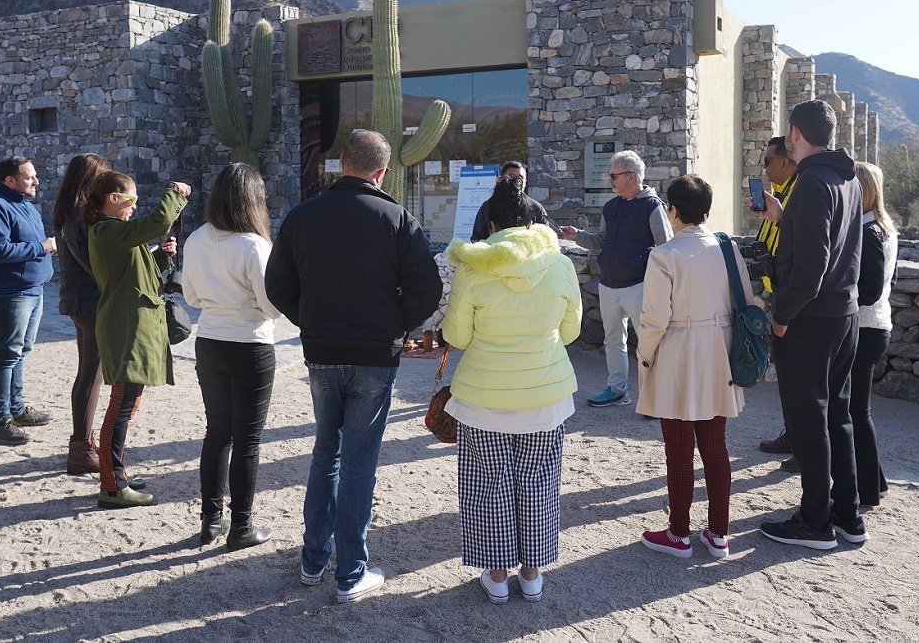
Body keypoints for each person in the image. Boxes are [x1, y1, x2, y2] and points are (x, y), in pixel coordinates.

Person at [265, 129, 442, 603]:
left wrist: (311, 320)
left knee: (327, 453)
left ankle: (312, 559)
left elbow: (277, 285)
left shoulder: (303, 217)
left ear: (341, 162)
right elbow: (427, 288)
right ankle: (350, 572)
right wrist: (395, 324)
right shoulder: (396, 218)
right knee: (359, 461)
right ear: (382, 172)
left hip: (322, 352)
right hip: (373, 355)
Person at [444, 176, 581, 603]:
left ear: (490, 227)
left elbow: (457, 336)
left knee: (489, 484)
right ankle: (533, 573)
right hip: (546, 395)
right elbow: (572, 331)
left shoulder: (473, 268)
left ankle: (498, 574)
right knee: (539, 482)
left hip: (484, 398)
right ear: (529, 222)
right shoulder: (560, 264)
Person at [753, 99, 864, 550]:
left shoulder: (814, 182)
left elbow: (813, 264)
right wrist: (783, 217)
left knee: (808, 420)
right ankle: (846, 515)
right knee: (837, 415)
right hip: (844, 315)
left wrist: (782, 315)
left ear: (795, 133)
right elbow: (833, 244)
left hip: (810, 319)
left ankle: (815, 522)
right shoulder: (845, 178)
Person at [636, 175, 756, 560]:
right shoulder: (727, 248)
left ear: (672, 211)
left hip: (678, 351)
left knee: (679, 448)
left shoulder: (665, 254)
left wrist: (645, 357)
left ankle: (678, 534)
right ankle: (719, 533)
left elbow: (654, 318)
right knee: (715, 446)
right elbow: (746, 299)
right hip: (719, 350)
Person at [182, 163, 281, 550]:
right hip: (251, 344)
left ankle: (210, 521)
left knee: (217, 434)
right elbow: (272, 307)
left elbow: (191, 298)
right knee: (248, 440)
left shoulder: (196, 239)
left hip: (208, 342)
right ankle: (241, 527)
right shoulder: (254, 245)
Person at [86, 171, 190, 509]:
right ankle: (112, 485)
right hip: (125, 327)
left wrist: (161, 255)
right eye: (131, 199)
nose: (136, 206)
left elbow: (134, 270)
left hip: (133, 325)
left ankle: (118, 476)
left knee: (128, 405)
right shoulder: (106, 230)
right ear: (114, 199)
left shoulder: (115, 233)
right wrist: (174, 192)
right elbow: (159, 219)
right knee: (120, 407)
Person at [559, 150, 672, 407]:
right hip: (609, 284)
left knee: (648, 343)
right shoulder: (611, 207)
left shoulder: (653, 207)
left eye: (613, 176)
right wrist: (577, 235)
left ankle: (655, 396)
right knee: (613, 340)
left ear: (630, 177)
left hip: (639, 285)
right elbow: (601, 242)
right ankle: (617, 389)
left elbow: (666, 248)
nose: (609, 180)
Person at [0, 156, 57, 446]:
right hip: (10, 294)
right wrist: (41, 247)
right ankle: (0, 422)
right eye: (29, 177)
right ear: (10, 180)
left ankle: (16, 409)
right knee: (7, 355)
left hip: (32, 290)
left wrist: (44, 250)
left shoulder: (23, 204)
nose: (36, 181)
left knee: (21, 352)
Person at [54, 153, 111, 474]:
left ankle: (84, 441)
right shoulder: (80, 216)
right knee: (92, 374)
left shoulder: (70, 212)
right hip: (90, 302)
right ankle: (80, 448)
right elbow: (96, 264)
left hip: (81, 301)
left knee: (89, 373)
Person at [849, 161, 896, 508]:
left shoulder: (868, 233)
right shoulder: (886, 229)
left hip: (864, 327)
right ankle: (874, 481)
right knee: (858, 410)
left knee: (854, 412)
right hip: (876, 326)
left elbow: (869, 291)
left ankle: (865, 490)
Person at [755, 137, 800, 460]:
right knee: (788, 374)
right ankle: (794, 434)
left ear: (785, 161)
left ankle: (801, 443)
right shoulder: (782, 194)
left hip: (794, 296)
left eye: (768, 161)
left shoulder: (799, 195)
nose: (765, 168)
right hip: (779, 289)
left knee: (798, 375)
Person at [469, 160, 553, 242]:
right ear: (502, 179)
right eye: (511, 176)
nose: (516, 181)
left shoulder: (536, 208)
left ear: (525, 181)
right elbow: (477, 239)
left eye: (520, 177)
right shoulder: (488, 207)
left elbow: (547, 239)